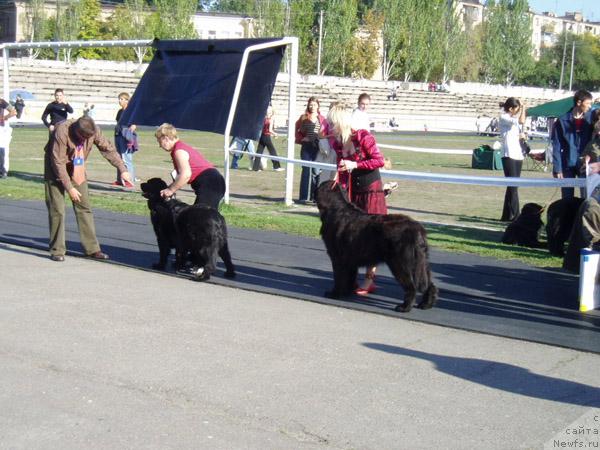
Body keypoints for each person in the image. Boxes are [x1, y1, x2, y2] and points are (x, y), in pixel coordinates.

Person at [44, 116, 132, 262]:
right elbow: (58, 163)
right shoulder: (62, 131)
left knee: (84, 207)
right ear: (77, 131)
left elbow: (108, 149)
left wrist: (122, 169)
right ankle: (57, 250)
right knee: (57, 209)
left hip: (77, 167)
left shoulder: (93, 130)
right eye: (83, 137)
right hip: (55, 166)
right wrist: (70, 188)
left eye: (89, 137)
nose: (87, 140)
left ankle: (92, 249)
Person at [327, 102, 387, 296]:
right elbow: (341, 168)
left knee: (372, 235)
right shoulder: (337, 143)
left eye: (332, 123)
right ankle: (351, 278)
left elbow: (379, 160)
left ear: (341, 122)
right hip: (354, 192)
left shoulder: (363, 137)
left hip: (371, 190)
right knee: (353, 236)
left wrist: (355, 164)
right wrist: (340, 187)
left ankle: (370, 279)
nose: (329, 127)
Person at [155, 123, 225, 209]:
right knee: (200, 216)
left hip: (210, 183)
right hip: (214, 181)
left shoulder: (179, 151)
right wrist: (171, 188)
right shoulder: (180, 147)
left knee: (200, 218)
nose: (160, 146)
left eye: (159, 142)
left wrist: (170, 190)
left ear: (165, 138)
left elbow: (185, 175)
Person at [552, 89, 594, 199]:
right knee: (566, 198)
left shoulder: (592, 119)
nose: (590, 106)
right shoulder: (562, 121)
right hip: (567, 164)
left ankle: (583, 217)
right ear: (579, 102)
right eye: (588, 103)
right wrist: (557, 168)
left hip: (585, 164)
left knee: (586, 198)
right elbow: (557, 145)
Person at [498, 97, 526, 222]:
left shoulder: (513, 119)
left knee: (513, 186)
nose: (518, 111)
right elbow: (522, 120)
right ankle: (516, 215)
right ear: (511, 108)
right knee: (513, 185)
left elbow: (520, 124)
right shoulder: (504, 117)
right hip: (508, 154)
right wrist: (524, 108)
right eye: (517, 109)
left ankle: (506, 215)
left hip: (517, 154)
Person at [294, 96, 327, 204]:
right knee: (306, 170)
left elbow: (325, 132)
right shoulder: (304, 117)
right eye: (311, 104)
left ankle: (315, 197)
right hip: (306, 146)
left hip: (317, 147)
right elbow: (296, 128)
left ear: (318, 106)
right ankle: (303, 197)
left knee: (316, 171)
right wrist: (300, 138)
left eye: (314, 104)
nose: (312, 107)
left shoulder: (322, 119)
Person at [112, 93, 137, 188]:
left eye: (122, 99)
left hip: (125, 137)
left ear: (127, 100)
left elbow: (134, 124)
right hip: (118, 135)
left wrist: (130, 136)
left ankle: (129, 180)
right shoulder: (120, 111)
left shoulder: (130, 111)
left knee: (126, 159)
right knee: (118, 159)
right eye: (119, 99)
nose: (120, 101)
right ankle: (120, 180)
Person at [252, 106, 284, 172]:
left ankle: (255, 168)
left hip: (262, 136)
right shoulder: (270, 119)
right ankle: (276, 167)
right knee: (272, 151)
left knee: (259, 152)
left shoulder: (263, 118)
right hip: (266, 137)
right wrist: (275, 134)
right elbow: (270, 130)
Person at [0, 98, 16, 178]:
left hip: (1, 128)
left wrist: (4, 117)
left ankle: (4, 171)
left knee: (2, 150)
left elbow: (13, 112)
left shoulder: (1, 101)